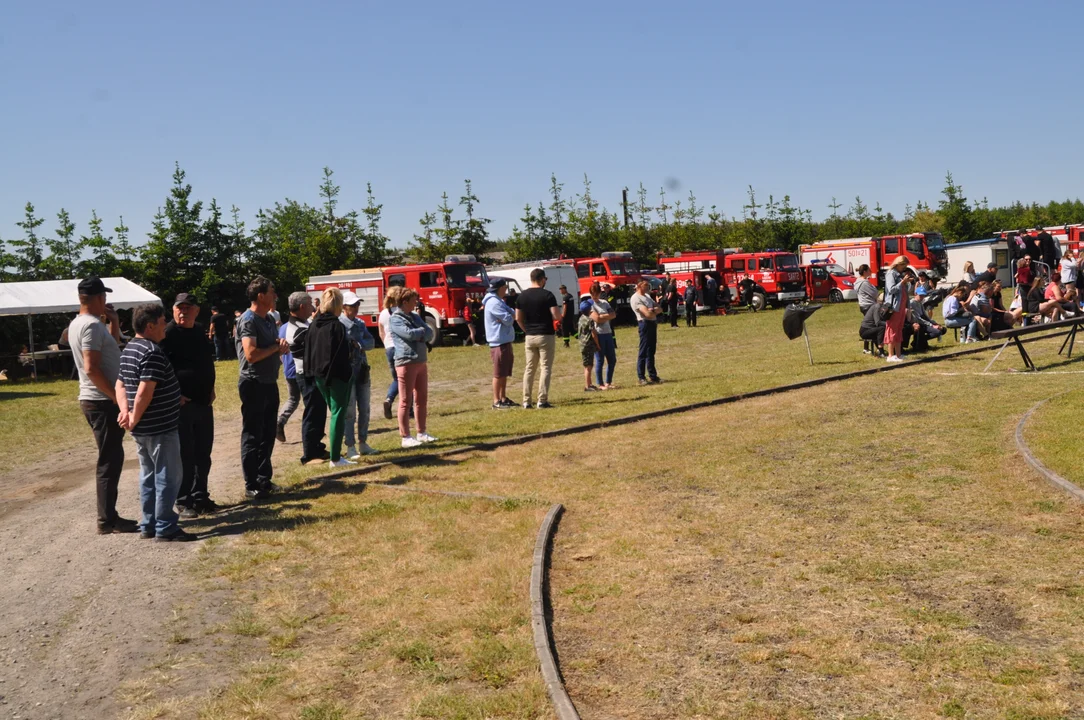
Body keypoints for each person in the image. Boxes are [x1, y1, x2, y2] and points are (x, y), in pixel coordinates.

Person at [115, 303, 194, 542]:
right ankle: (165, 527)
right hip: (158, 428)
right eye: (161, 323)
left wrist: (126, 413)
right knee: (167, 477)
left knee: (148, 475)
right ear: (150, 326)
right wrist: (132, 417)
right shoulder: (150, 352)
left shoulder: (130, 348)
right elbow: (143, 392)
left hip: (143, 428)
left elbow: (120, 384)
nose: (165, 328)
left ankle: (149, 524)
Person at [67, 277, 137, 535]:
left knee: (112, 456)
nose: (105, 301)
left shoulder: (81, 324)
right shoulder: (91, 327)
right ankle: (107, 520)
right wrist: (117, 398)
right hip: (101, 401)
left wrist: (114, 323)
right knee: (109, 459)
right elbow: (91, 368)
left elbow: (109, 349)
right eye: (104, 297)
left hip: (96, 400)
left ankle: (109, 517)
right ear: (99, 298)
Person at [160, 292, 217, 518]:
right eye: (179, 307)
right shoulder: (168, 333)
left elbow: (205, 361)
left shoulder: (199, 331)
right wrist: (175, 394)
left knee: (204, 452)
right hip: (182, 404)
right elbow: (162, 367)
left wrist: (210, 387)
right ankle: (183, 500)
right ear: (173, 310)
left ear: (196, 310)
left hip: (203, 401)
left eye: (187, 307)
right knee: (185, 454)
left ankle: (200, 495)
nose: (183, 311)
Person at [236, 276, 289, 498]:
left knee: (267, 433)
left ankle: (263, 479)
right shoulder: (248, 320)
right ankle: (251, 484)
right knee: (253, 434)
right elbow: (251, 354)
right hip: (253, 383)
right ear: (261, 295)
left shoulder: (268, 319)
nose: (275, 295)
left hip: (269, 383)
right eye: (272, 291)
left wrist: (281, 345)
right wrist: (275, 349)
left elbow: (270, 346)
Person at [305, 288, 355, 468]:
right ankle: (335, 457)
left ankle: (335, 455)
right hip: (335, 376)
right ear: (339, 305)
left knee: (334, 412)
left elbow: (308, 351)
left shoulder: (314, 324)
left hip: (318, 375)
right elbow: (341, 355)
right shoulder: (336, 326)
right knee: (338, 413)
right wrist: (347, 375)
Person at [282, 292, 327, 465]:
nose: (313, 307)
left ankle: (317, 448)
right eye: (310, 304)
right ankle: (309, 454)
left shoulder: (303, 323)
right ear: (301, 307)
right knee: (312, 412)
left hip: (312, 373)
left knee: (319, 410)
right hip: (306, 375)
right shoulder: (297, 329)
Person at [389, 288, 437, 447]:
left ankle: (421, 432)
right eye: (413, 300)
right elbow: (409, 334)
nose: (416, 303)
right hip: (406, 362)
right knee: (405, 400)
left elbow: (430, 333)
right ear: (405, 302)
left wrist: (421, 333)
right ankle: (405, 436)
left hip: (421, 361)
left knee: (421, 398)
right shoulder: (396, 319)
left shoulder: (415, 317)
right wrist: (422, 332)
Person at [516, 268, 561, 409]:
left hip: (530, 336)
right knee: (545, 367)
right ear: (542, 279)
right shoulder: (547, 295)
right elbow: (556, 316)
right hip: (545, 334)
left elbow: (518, 318)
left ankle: (526, 400)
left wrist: (526, 330)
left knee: (529, 368)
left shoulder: (521, 296)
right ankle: (542, 400)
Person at [340, 290, 377, 458]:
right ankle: (350, 446)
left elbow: (371, 342)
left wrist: (359, 344)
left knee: (365, 408)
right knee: (349, 412)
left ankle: (363, 442)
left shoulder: (361, 324)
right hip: (347, 372)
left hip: (362, 370)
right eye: (352, 305)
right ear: (343, 307)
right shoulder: (339, 324)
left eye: (357, 305)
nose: (356, 308)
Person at [483, 278, 516, 409]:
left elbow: (512, 313)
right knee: (498, 373)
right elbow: (509, 319)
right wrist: (509, 316)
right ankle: (496, 401)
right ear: (500, 288)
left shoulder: (498, 301)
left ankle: (503, 397)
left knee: (504, 372)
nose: (506, 290)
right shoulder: (493, 302)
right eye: (505, 288)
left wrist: (509, 315)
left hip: (504, 340)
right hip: (498, 342)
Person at [630, 280, 662, 384]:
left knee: (651, 351)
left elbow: (659, 308)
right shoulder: (636, 298)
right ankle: (641, 377)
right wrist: (652, 311)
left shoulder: (647, 296)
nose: (648, 289)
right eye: (646, 287)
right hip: (644, 324)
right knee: (643, 351)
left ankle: (653, 375)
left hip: (652, 324)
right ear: (639, 287)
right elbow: (647, 314)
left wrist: (652, 310)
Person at [377, 288, 402, 420]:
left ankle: (389, 399)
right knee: (405, 379)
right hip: (400, 347)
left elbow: (381, 332)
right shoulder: (401, 311)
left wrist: (387, 345)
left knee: (397, 379)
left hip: (389, 348)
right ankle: (407, 408)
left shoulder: (382, 313)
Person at [276, 306, 300, 443]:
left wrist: (285, 363)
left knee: (293, 399)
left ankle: (280, 421)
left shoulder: (283, 328)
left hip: (288, 369)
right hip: (299, 369)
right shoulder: (303, 326)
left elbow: (280, 349)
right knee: (312, 400)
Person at [590, 282, 618, 389]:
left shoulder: (605, 302)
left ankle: (608, 382)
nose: (595, 296)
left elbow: (613, 315)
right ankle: (600, 383)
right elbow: (596, 319)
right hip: (598, 334)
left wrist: (602, 316)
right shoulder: (590, 304)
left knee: (612, 359)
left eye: (596, 293)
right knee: (600, 360)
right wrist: (605, 316)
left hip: (608, 333)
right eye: (593, 294)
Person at [883, 256, 909, 362]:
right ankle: (890, 355)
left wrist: (906, 283)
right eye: (904, 265)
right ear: (899, 264)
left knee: (899, 329)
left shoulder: (898, 274)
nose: (904, 268)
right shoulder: (891, 273)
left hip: (901, 306)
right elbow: (891, 289)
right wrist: (902, 282)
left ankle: (898, 354)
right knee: (892, 329)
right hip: (894, 307)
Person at [854, 265, 879, 354]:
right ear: (864, 272)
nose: (871, 271)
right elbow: (875, 293)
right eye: (869, 270)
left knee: (868, 325)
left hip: (863, 305)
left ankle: (866, 348)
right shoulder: (864, 283)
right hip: (868, 305)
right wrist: (875, 289)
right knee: (874, 325)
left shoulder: (858, 281)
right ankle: (879, 347)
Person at [577, 299, 600, 391]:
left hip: (582, 344)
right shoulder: (589, 320)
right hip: (588, 344)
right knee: (589, 366)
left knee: (587, 365)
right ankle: (588, 386)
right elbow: (593, 333)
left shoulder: (581, 318)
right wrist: (598, 344)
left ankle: (589, 383)